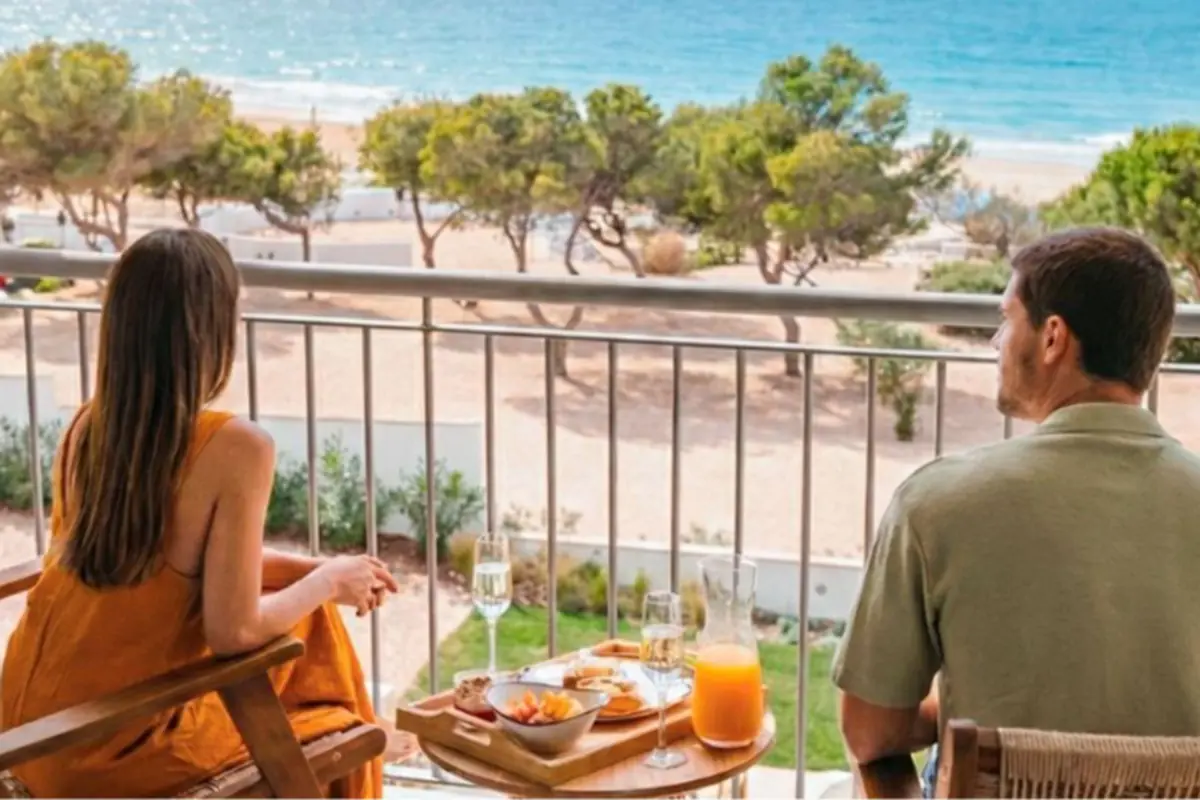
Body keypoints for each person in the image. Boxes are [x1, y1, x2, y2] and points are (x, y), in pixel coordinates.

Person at [1, 228, 399, 798]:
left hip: (27, 729)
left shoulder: (90, 425)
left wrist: (318, 568)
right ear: (212, 330)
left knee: (310, 612)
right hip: (106, 745)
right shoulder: (237, 448)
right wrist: (328, 581)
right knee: (335, 721)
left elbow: (164, 560)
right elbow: (233, 631)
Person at [833, 228, 1200, 792]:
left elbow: (868, 733)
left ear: (1053, 337)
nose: (997, 341)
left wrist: (958, 723)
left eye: (1007, 320)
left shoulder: (940, 504)